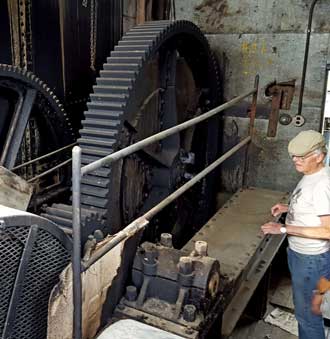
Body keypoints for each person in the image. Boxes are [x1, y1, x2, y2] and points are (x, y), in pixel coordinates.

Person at [261, 130, 330, 339]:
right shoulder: (313, 174)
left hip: (311, 261)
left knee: (307, 316)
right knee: (314, 303)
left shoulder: (321, 185)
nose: (295, 161)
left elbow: (328, 231)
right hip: (310, 260)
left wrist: (282, 228)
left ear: (319, 156)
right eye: (293, 156)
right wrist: (289, 208)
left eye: (301, 157)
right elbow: (314, 209)